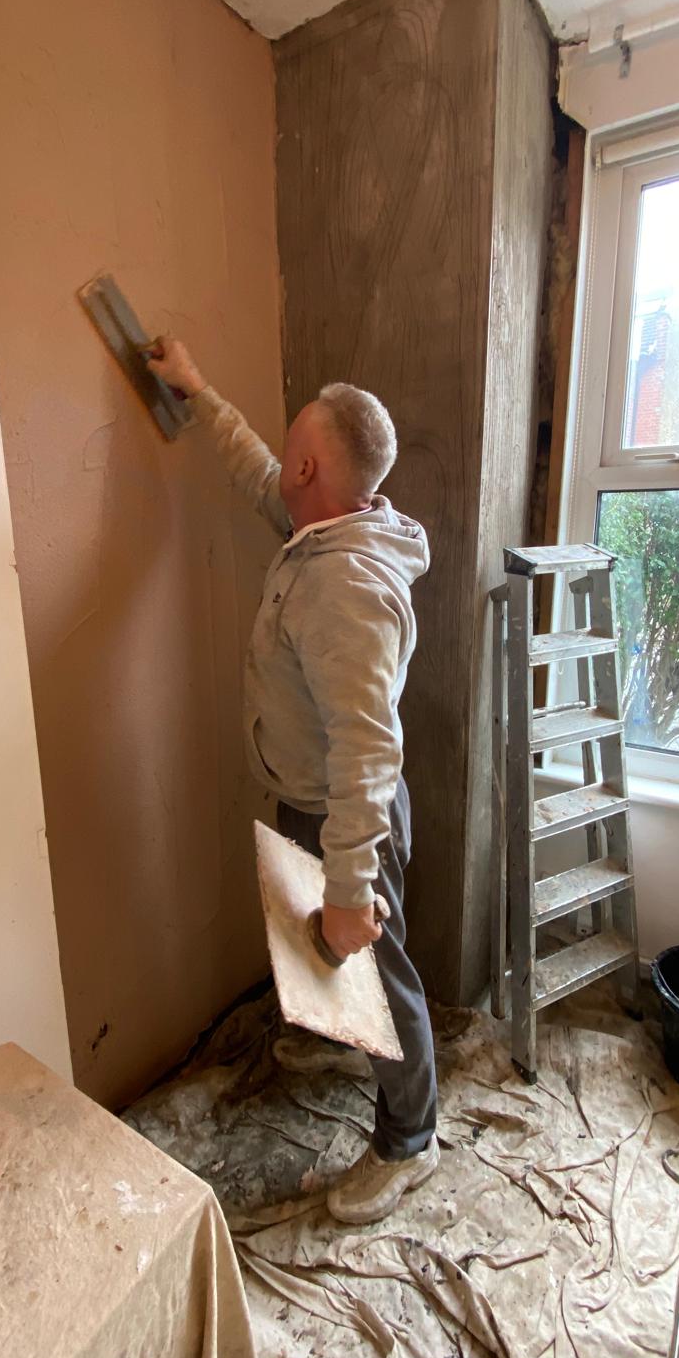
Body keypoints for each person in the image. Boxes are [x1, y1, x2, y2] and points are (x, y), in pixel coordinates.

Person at [146, 338, 439, 1225]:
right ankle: (344, 1041)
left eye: (292, 446)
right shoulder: (326, 526)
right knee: (331, 959)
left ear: (311, 468)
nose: (280, 460)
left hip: (347, 813)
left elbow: (367, 752)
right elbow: (257, 473)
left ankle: (410, 1138)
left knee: (378, 972)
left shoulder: (344, 585)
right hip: (313, 800)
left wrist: (350, 891)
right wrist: (199, 391)